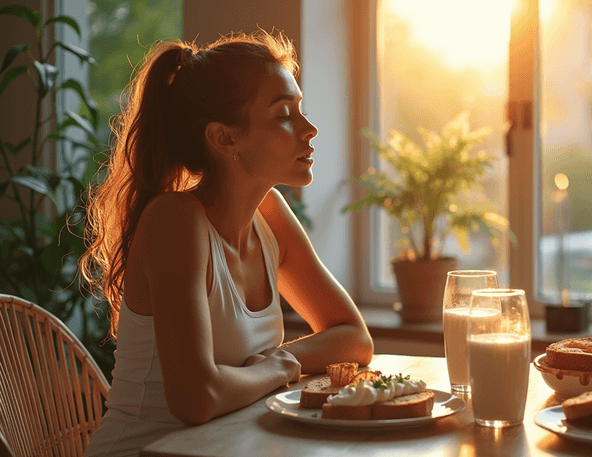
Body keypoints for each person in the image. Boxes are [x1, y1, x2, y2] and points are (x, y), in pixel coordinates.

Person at [79, 30, 373, 456]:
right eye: (283, 114)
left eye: (300, 108)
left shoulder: (269, 214)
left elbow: (353, 338)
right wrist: (277, 365)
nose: (309, 129)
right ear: (224, 138)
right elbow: (195, 400)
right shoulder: (176, 221)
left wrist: (274, 365)